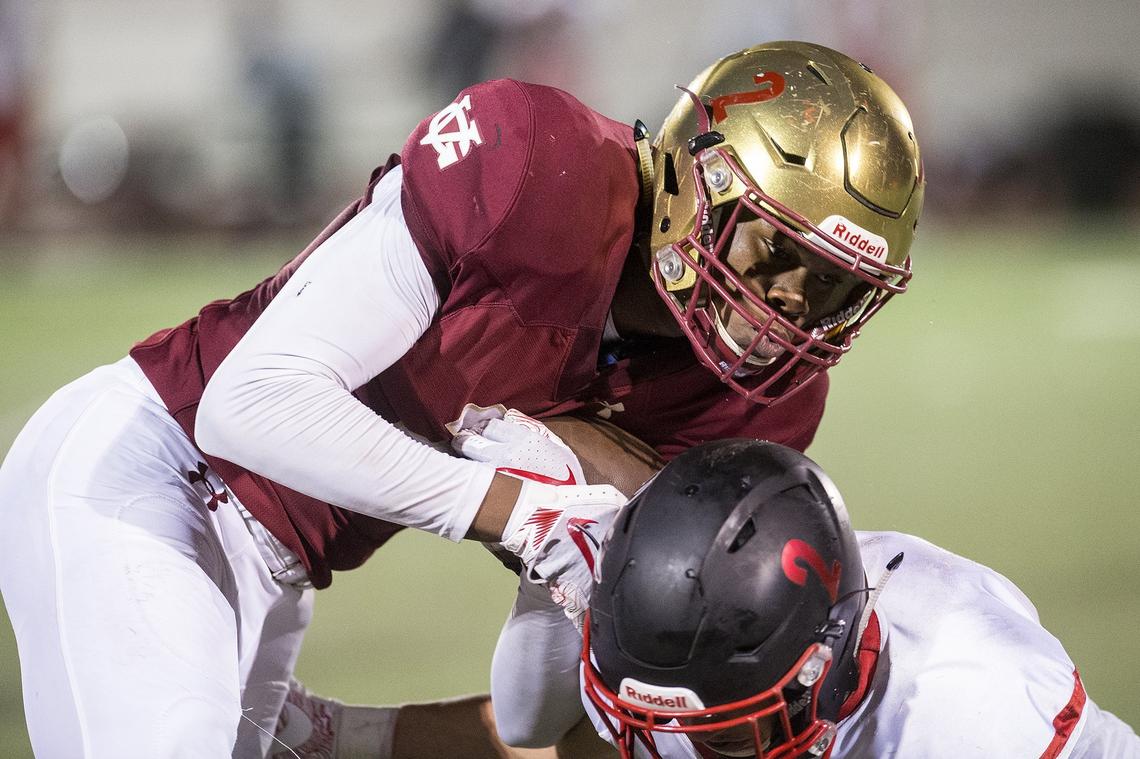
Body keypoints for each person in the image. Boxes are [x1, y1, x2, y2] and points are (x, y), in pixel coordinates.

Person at [0, 40, 923, 756]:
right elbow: (249, 403)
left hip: (275, 574)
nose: (791, 307)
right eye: (780, 253)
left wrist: (577, 550)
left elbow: (531, 712)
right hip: (154, 470)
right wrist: (523, 511)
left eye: (833, 286)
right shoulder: (541, 165)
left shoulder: (758, 405)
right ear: (699, 179)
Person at [489, 436, 1140, 758]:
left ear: (819, 673)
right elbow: (528, 725)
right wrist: (542, 580)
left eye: (729, 740)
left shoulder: (982, 706)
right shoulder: (677, 661)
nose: (683, 747)